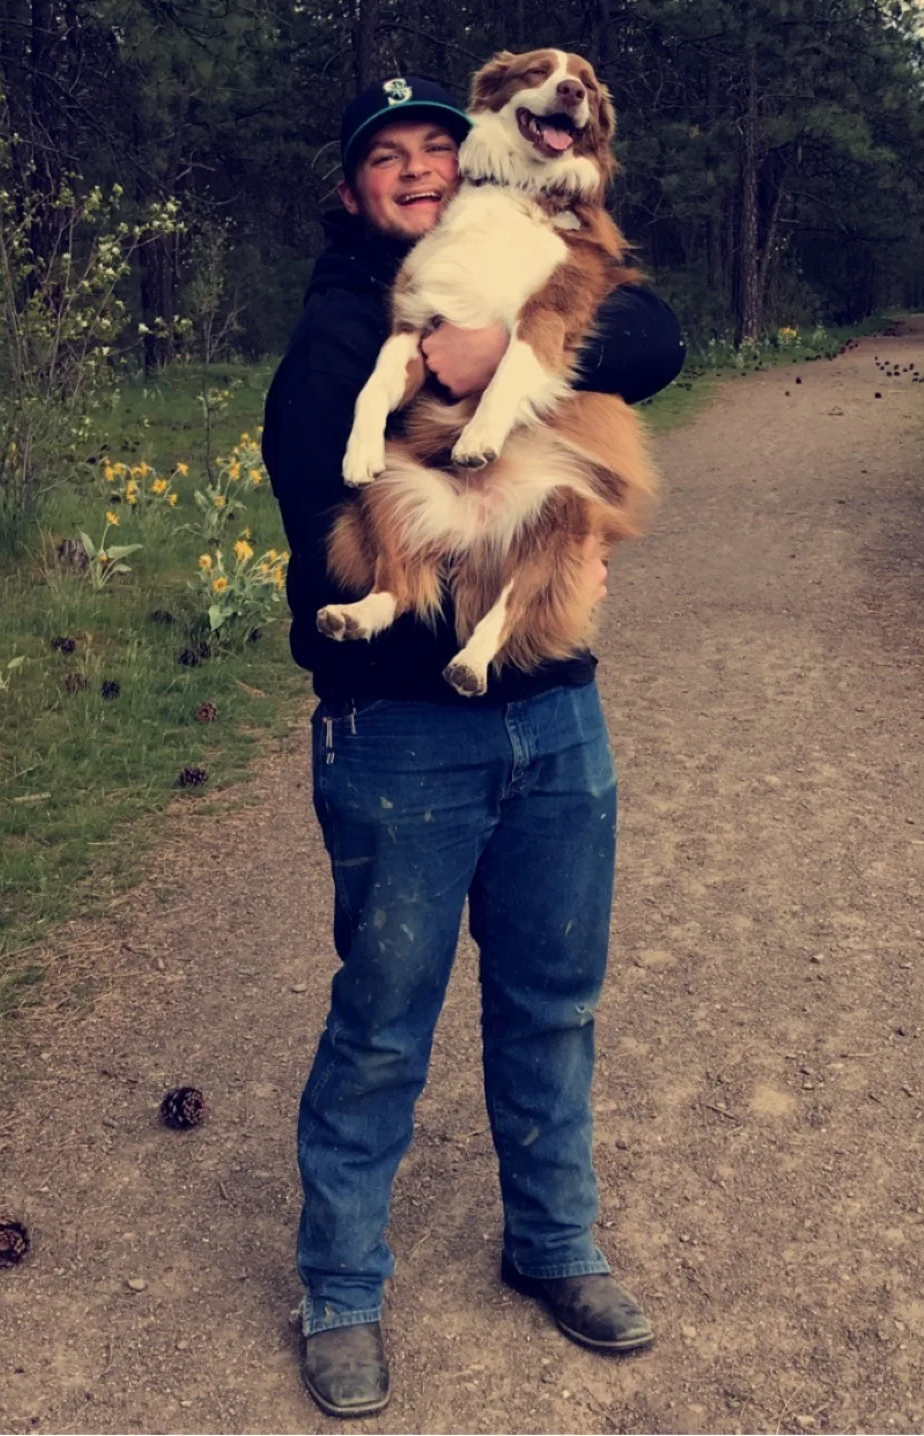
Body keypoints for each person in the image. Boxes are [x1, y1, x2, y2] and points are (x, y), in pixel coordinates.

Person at [262, 73, 685, 1419]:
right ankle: (340, 1285)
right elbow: (312, 489)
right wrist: (447, 373)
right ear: (351, 191)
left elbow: (654, 338)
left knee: (551, 1003)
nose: (416, 171)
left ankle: (552, 1248)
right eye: (384, 158)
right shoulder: (340, 322)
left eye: (433, 149)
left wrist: (499, 353)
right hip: (400, 732)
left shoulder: (529, 250)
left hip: (554, 708)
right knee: (385, 1025)